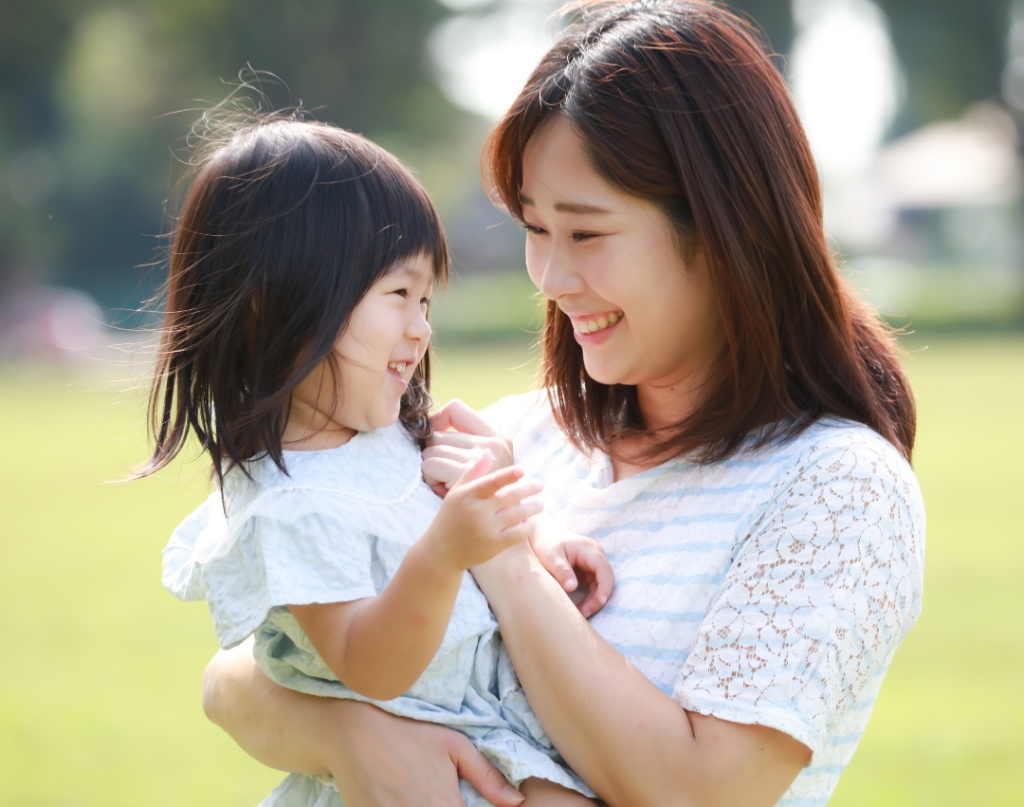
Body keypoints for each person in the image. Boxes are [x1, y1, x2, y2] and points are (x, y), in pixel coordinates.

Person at [202, 3, 926, 806]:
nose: (547, 276)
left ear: (727, 230)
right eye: (535, 228)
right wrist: (350, 735)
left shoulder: (837, 487)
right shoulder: (510, 436)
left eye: (585, 234)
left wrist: (505, 556)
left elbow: (700, 790)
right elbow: (244, 672)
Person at [145, 115, 613, 806]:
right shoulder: (291, 506)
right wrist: (445, 552)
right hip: (420, 767)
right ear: (275, 304)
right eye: (398, 294)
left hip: (490, 736)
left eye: (426, 299)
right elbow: (372, 664)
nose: (421, 326)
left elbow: (468, 515)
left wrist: (536, 537)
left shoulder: (389, 434)